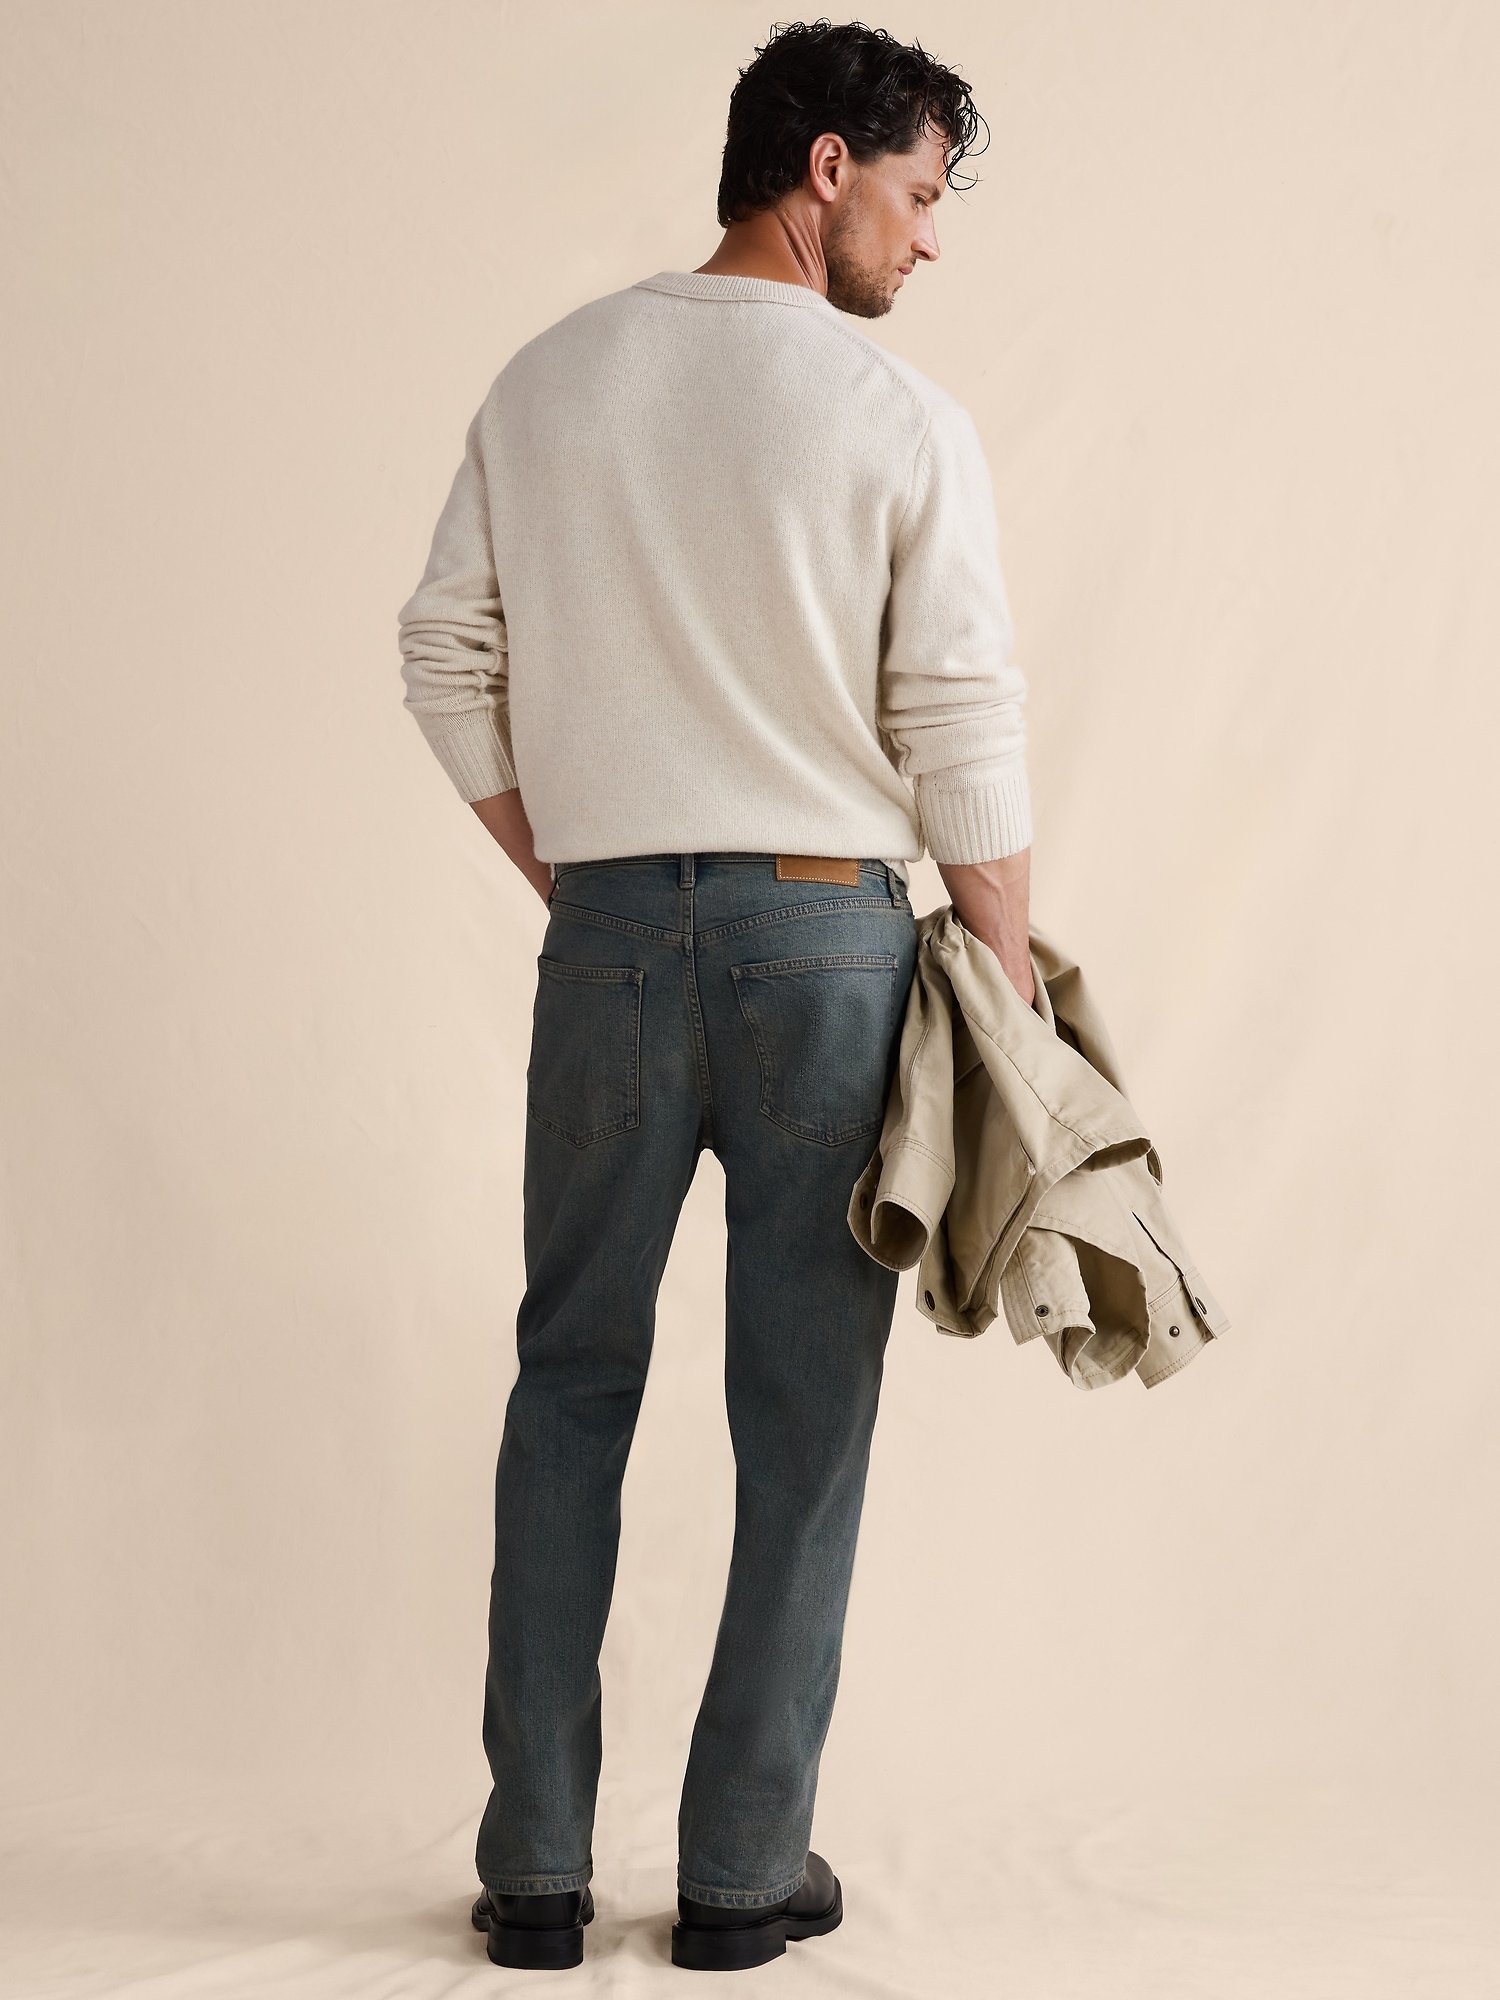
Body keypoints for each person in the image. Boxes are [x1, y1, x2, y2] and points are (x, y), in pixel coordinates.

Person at [398, 19, 1033, 1973]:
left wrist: (577, 869)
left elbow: (443, 654)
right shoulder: (894, 413)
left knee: (567, 1379)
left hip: (607, 945)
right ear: (825, 167)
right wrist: (1010, 989)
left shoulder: (550, 378)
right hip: (828, 948)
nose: (928, 240)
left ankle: (535, 1873)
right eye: (916, 193)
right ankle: (745, 1878)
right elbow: (960, 718)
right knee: (805, 1420)